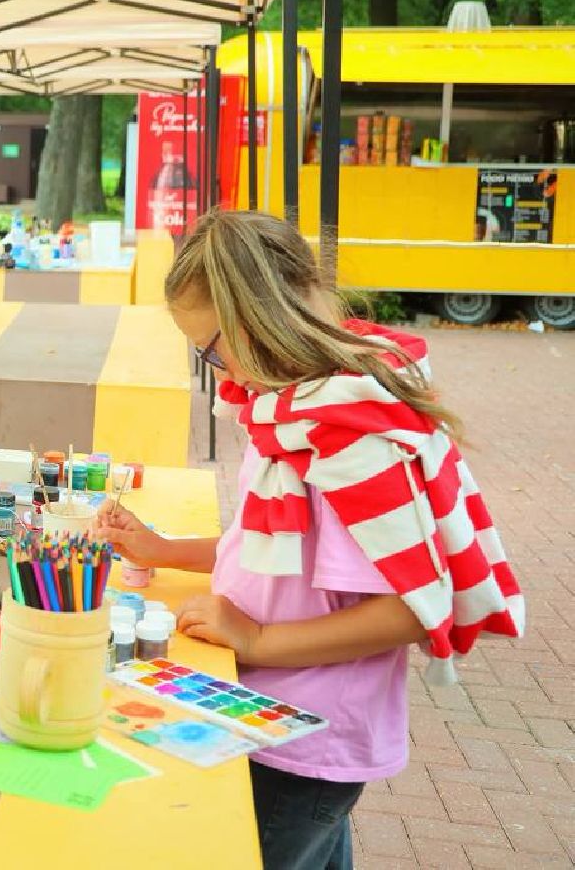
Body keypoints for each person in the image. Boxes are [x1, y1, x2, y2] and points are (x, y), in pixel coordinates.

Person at [95, 211, 523, 870]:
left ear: (257, 322)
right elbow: (274, 545)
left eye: (210, 351)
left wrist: (257, 640)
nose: (216, 372)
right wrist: (164, 550)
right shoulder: (296, 412)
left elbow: (412, 607)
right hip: (278, 719)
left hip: (298, 745)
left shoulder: (346, 438)